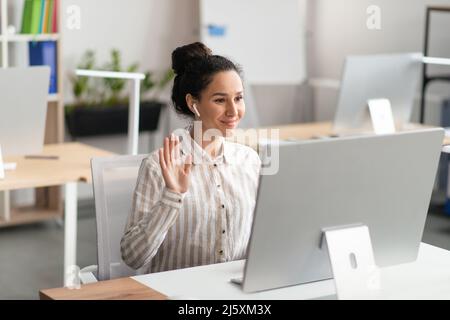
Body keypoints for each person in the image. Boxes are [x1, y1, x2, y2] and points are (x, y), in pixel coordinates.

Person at [120, 42, 261, 273]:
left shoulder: (250, 161)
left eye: (238, 98)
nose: (234, 111)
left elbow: (260, 236)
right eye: (219, 100)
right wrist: (171, 196)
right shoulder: (158, 166)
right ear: (193, 103)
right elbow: (132, 257)